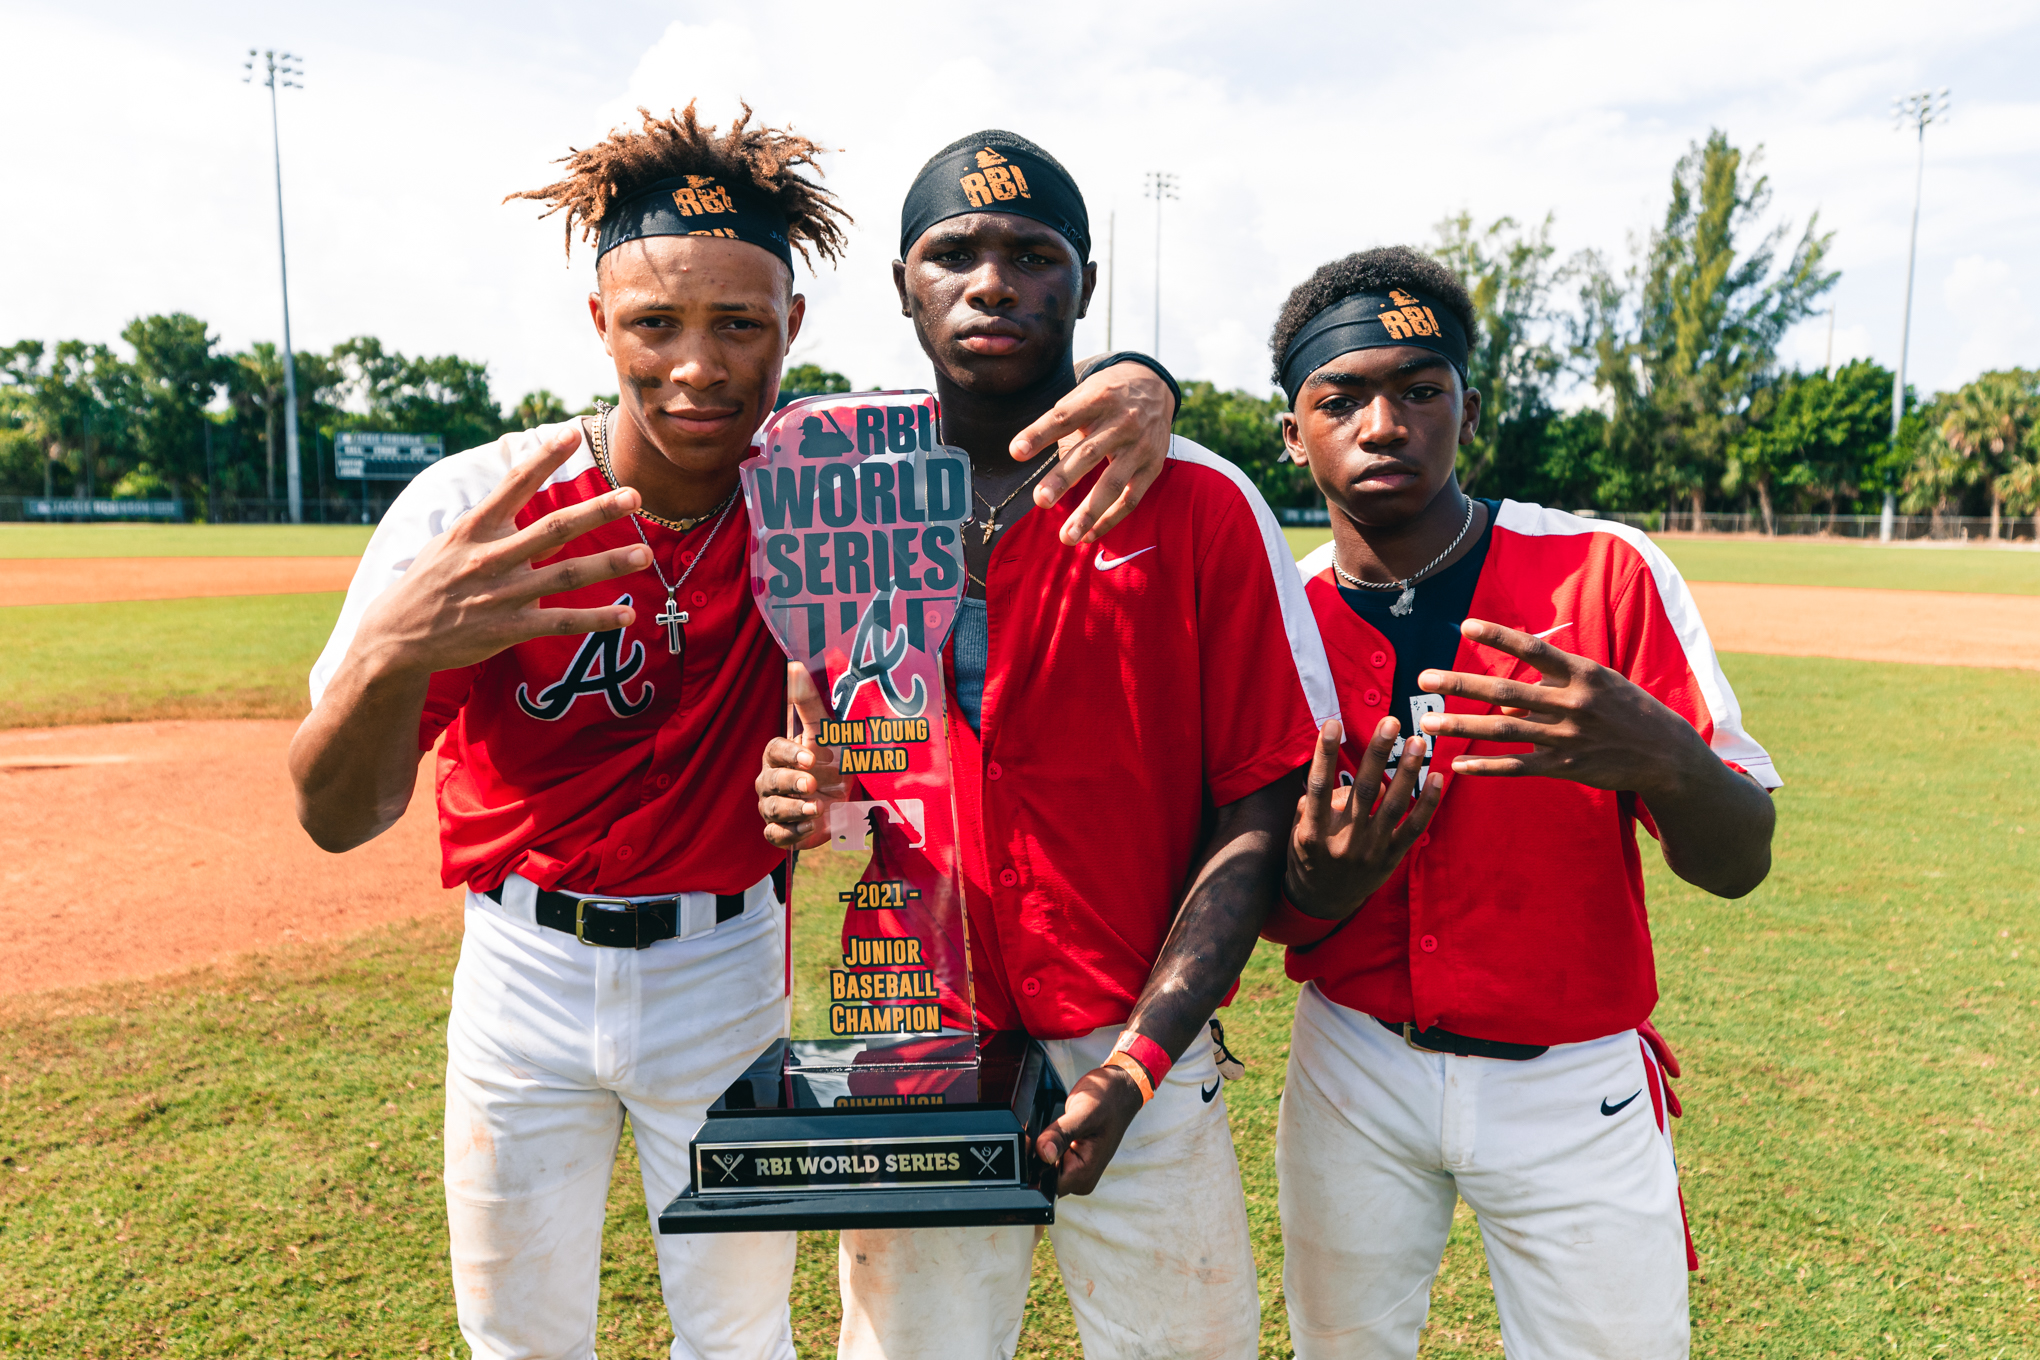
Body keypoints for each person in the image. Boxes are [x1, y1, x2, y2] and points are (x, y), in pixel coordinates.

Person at [288, 104, 1178, 1360]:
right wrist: (396, 648)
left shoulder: (830, 480)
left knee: (738, 1335)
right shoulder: (477, 506)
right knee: (516, 1334)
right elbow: (334, 816)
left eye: (740, 324)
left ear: (793, 327)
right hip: (520, 968)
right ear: (600, 323)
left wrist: (1144, 377)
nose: (698, 364)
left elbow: (985, 398)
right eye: (656, 323)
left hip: (722, 966)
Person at [758, 129, 1338, 1360]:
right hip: (911, 1026)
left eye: (1034, 253)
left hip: (1140, 1035)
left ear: (1083, 280)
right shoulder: (821, 477)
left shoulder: (1202, 500)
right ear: (904, 286)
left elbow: (1257, 808)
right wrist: (802, 783)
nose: (993, 282)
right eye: (951, 253)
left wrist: (1138, 1062)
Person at [1265, 246, 1780, 1359]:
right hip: (1354, 1064)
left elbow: (1742, 857)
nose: (1385, 423)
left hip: (1574, 1082)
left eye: (1420, 388)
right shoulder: (1283, 614)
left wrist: (1668, 759)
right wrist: (1322, 887)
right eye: (1341, 397)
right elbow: (1272, 901)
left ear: (1470, 406)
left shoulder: (1604, 571)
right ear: (1293, 431)